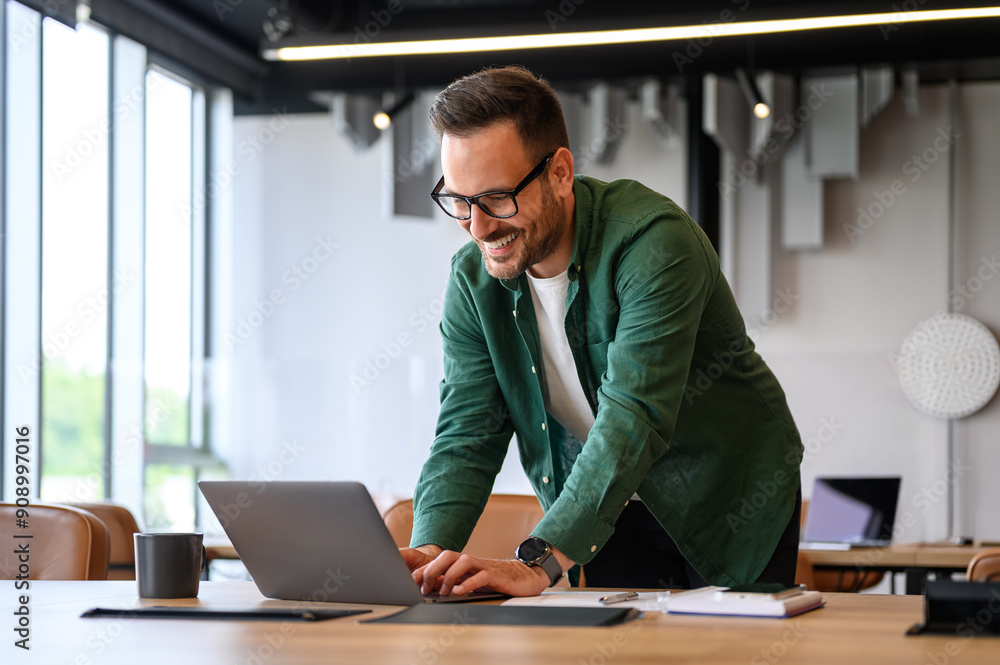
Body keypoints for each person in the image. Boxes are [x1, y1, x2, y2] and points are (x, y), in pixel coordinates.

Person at [399, 65, 803, 597]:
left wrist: (537, 561)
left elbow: (632, 418)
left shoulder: (653, 244)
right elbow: (468, 431)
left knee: (726, 651)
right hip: (606, 511)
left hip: (728, 497)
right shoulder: (474, 282)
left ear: (560, 172)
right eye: (459, 201)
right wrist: (429, 556)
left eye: (498, 198)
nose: (478, 227)